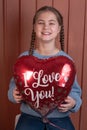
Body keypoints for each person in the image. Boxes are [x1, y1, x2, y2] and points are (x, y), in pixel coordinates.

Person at [8, 6, 82, 130]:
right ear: (34, 27)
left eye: (51, 23)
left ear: (59, 29)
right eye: (41, 23)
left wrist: (73, 103)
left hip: (60, 118)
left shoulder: (66, 61)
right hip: (29, 117)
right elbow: (13, 86)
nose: (46, 27)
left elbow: (75, 91)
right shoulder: (24, 59)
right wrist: (13, 94)